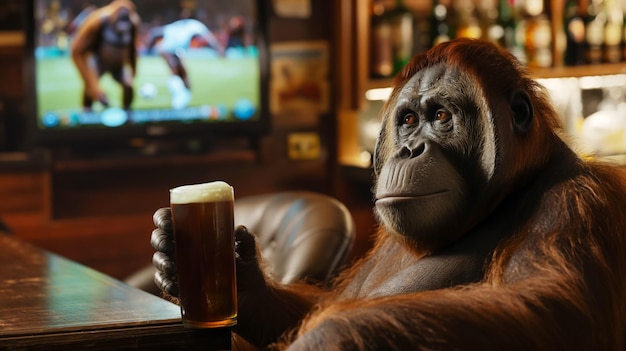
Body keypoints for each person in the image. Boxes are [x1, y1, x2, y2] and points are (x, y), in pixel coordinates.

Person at [146, 18, 225, 109]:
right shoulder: (196, 26)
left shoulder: (193, 26)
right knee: (175, 71)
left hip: (174, 48)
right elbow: (208, 38)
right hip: (168, 48)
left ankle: (184, 93)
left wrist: (217, 48)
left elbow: (156, 32)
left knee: (179, 71)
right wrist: (218, 48)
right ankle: (181, 94)